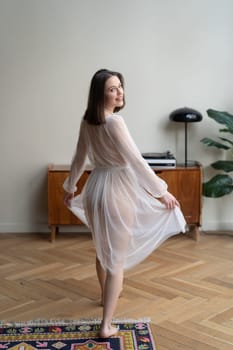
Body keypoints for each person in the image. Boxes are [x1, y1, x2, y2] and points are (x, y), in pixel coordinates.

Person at [63, 68, 186, 338]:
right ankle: (106, 325)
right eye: (112, 89)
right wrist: (160, 191)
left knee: (102, 249)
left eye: (120, 87)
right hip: (116, 191)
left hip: (95, 189)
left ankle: (104, 297)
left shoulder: (88, 121)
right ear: (100, 94)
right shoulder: (115, 123)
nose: (119, 92)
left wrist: (71, 187)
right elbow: (136, 160)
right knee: (115, 259)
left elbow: (78, 159)